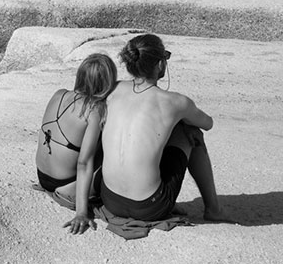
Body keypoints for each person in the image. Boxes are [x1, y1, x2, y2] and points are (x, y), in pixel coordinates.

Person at [98, 34, 231, 223]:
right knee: (192, 133)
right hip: (149, 207)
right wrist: (182, 119)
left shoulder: (114, 89)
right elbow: (208, 123)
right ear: (160, 64)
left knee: (158, 131)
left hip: (110, 200)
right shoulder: (176, 102)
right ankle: (214, 209)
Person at [35, 53, 117, 235]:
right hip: (66, 186)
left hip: (43, 176)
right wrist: (82, 212)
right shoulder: (94, 110)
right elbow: (84, 162)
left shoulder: (59, 94)